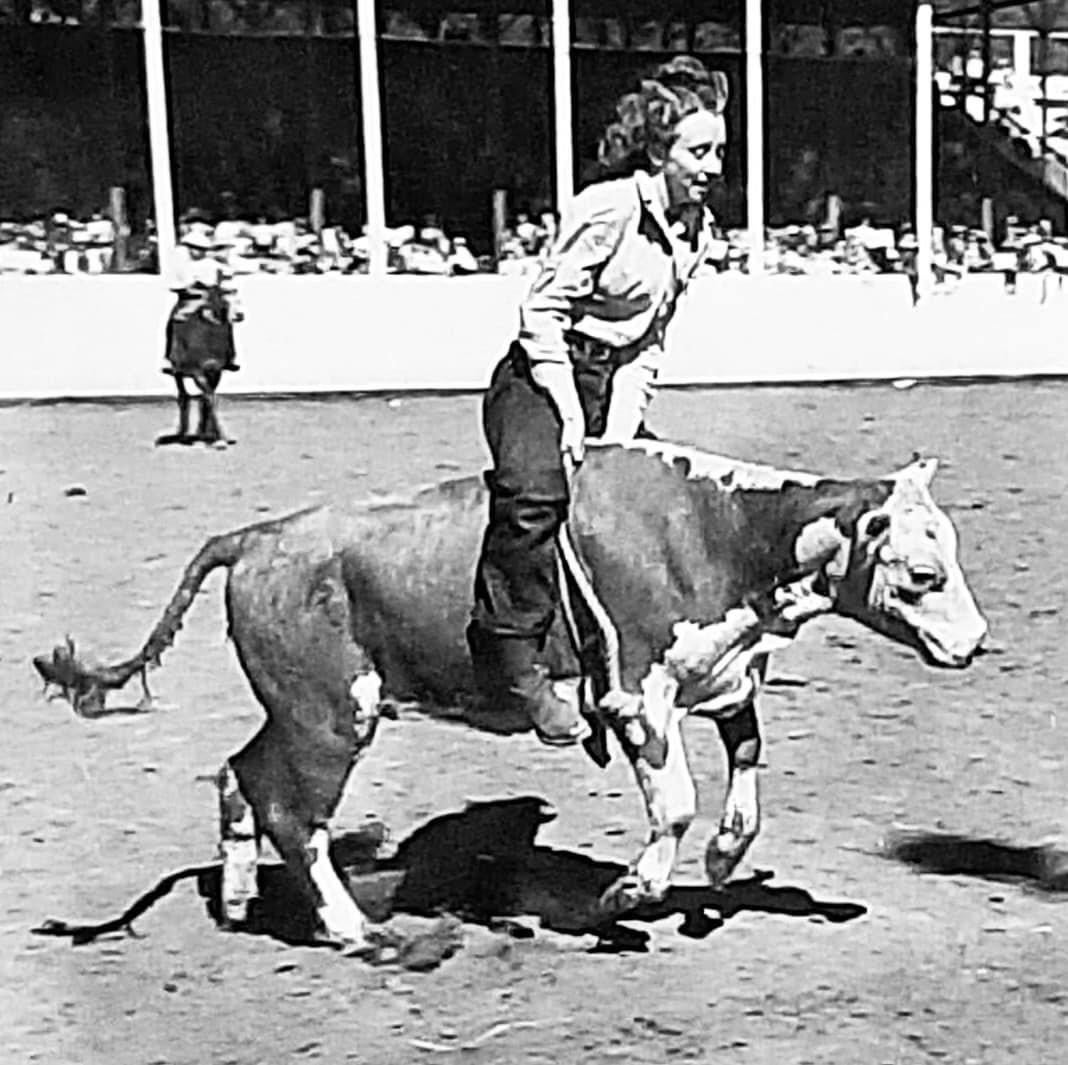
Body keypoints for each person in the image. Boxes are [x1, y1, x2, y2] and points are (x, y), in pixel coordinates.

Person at [467, 55, 729, 747]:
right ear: (657, 151)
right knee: (534, 497)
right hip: (538, 377)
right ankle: (515, 661)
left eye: (720, 151)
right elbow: (540, 312)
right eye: (699, 151)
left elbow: (649, 341)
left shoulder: (697, 233)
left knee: (649, 507)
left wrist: (616, 433)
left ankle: (613, 668)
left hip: (609, 385)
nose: (713, 166)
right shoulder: (607, 209)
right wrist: (569, 408)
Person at [163, 228, 242, 375]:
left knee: (226, 322)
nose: (198, 252)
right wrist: (188, 288)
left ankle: (230, 356)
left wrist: (233, 305)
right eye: (195, 248)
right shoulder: (179, 263)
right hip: (189, 299)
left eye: (202, 249)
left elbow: (225, 284)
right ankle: (170, 357)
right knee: (175, 322)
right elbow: (173, 284)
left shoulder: (214, 265)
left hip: (212, 297)